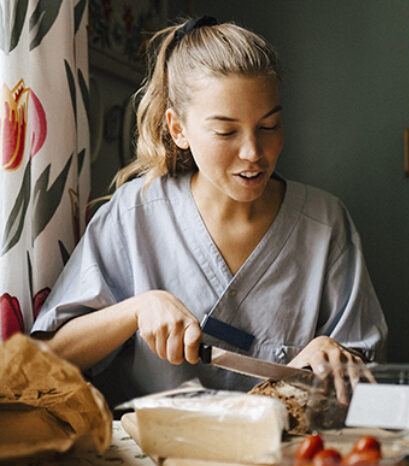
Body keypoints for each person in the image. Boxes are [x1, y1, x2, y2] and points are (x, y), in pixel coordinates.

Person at [31, 17, 386, 406]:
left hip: (284, 456)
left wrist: (330, 356)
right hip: (154, 457)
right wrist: (137, 309)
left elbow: (362, 384)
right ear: (178, 128)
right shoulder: (135, 214)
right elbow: (45, 361)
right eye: (226, 132)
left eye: (269, 126)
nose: (253, 152)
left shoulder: (325, 223)